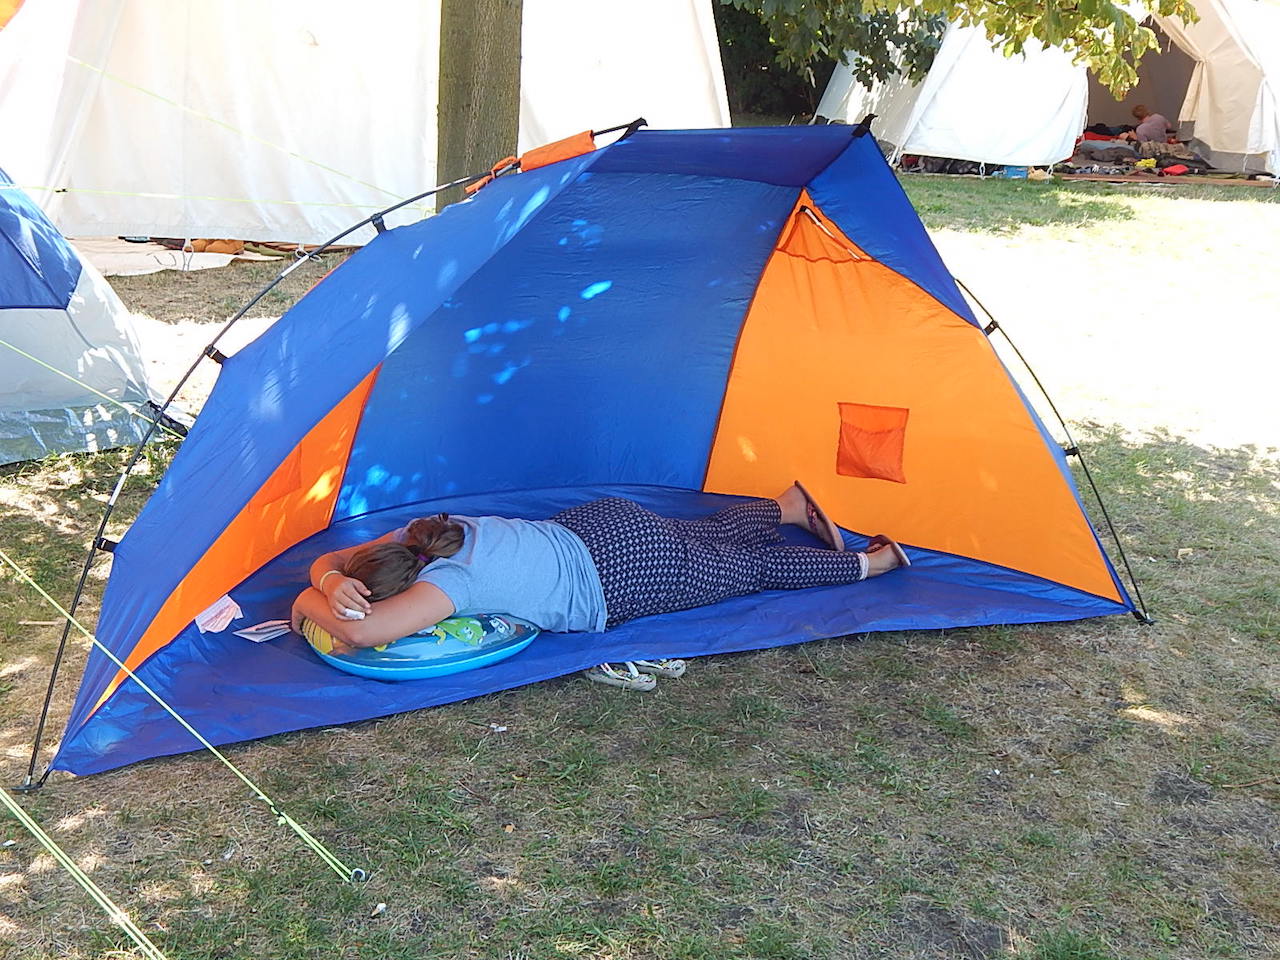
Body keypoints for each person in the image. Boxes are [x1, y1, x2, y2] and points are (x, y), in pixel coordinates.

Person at [289, 484, 910, 663]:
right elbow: (336, 559)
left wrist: (304, 603)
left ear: (403, 588)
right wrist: (329, 577)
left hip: (621, 574)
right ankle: (787, 507)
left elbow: (362, 634)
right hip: (601, 523)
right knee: (702, 534)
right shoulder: (426, 531)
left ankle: (872, 561)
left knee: (746, 571)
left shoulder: (448, 586)